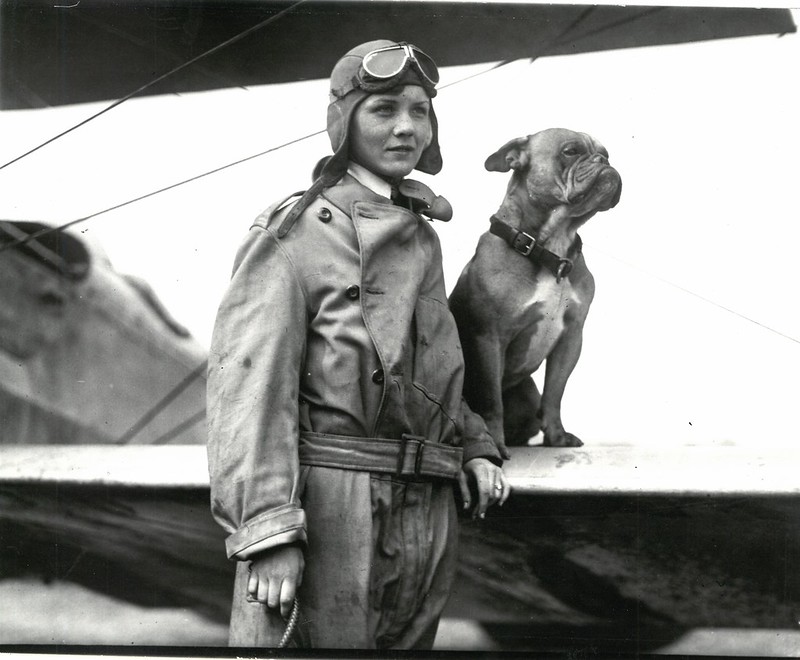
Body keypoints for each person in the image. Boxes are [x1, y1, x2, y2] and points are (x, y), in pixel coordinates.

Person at [206, 39, 510, 650]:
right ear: (345, 122)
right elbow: (249, 391)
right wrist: (270, 531)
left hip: (427, 507)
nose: (406, 127)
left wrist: (474, 445)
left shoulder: (423, 236)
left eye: (420, 110)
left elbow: (436, 368)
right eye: (384, 109)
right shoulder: (294, 233)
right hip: (331, 510)